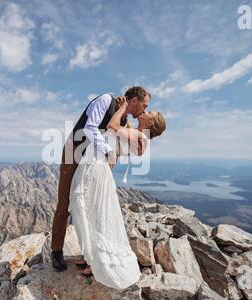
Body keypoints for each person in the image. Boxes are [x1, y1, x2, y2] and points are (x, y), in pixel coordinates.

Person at [68, 96, 166, 289]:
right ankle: (90, 256)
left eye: (149, 113)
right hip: (98, 164)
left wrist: (122, 107)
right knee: (90, 210)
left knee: (92, 211)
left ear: (151, 122)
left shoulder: (139, 137)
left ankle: (97, 262)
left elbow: (112, 125)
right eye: (147, 109)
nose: (145, 112)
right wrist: (127, 110)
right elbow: (121, 131)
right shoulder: (135, 132)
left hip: (98, 166)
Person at [51, 87, 152, 272]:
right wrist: (108, 151)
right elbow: (90, 128)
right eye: (144, 105)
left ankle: (89, 254)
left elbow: (130, 143)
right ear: (134, 100)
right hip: (73, 153)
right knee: (65, 203)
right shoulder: (106, 100)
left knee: (91, 206)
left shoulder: (123, 117)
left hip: (91, 162)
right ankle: (56, 252)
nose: (144, 110)